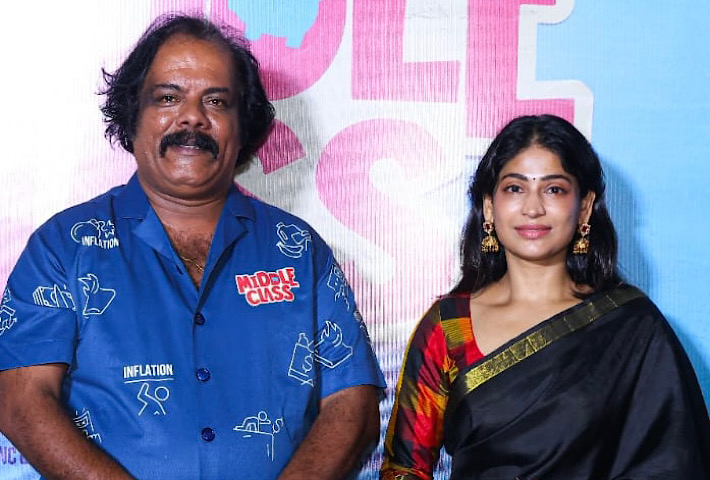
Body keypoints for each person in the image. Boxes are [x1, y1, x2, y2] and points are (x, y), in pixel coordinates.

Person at [0, 14, 385, 480]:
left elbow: (353, 403)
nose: (192, 117)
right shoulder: (63, 246)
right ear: (133, 115)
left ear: (242, 126)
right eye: (168, 97)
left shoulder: (299, 250)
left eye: (216, 101)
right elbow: (21, 399)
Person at [380, 114, 710, 479]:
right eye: (514, 188)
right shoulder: (450, 328)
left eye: (554, 189)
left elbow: (673, 463)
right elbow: (404, 467)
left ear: (584, 207)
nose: (533, 207)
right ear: (489, 206)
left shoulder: (633, 328)